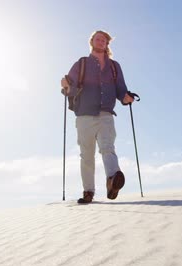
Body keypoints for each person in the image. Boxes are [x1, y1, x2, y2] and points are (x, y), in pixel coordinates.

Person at [61, 30, 135, 204]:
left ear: (107, 44)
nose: (101, 41)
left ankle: (112, 179)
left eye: (104, 40)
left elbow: (121, 89)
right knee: (87, 155)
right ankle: (88, 191)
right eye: (98, 39)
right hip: (84, 115)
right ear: (92, 42)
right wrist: (64, 85)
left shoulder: (114, 67)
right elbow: (69, 87)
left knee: (108, 148)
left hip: (106, 114)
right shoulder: (82, 63)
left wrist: (126, 98)